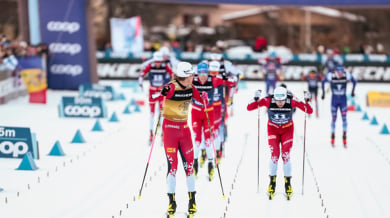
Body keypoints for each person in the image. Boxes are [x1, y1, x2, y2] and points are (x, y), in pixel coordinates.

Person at [153, 61, 208, 216]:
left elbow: (202, 100)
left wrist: (204, 98)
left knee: (189, 168)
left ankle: (192, 201)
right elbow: (154, 96)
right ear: (185, 75)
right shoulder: (171, 87)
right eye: (191, 74)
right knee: (173, 168)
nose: (193, 77)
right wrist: (161, 92)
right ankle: (172, 202)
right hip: (170, 131)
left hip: (184, 132)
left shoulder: (191, 87)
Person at [247, 87, 313, 200]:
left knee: (286, 155)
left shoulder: (292, 100)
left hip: (287, 130)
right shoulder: (268, 100)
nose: (280, 104)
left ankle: (288, 183)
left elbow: (309, 110)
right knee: (274, 155)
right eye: (278, 101)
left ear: (285, 98)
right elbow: (249, 107)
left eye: (282, 101)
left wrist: (307, 100)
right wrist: (255, 98)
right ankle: (272, 182)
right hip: (273, 129)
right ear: (274, 98)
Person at [191, 62, 236, 180]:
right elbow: (178, 83)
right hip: (195, 112)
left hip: (209, 112)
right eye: (200, 73)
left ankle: (210, 163)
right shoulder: (192, 80)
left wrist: (226, 77)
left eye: (205, 73)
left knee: (207, 139)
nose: (203, 76)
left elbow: (231, 82)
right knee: (196, 139)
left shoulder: (214, 80)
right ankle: (194, 163)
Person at [138, 51, 173, 144]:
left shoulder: (165, 66)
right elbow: (142, 74)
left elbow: (172, 75)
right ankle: (150, 134)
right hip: (153, 91)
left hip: (161, 92)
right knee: (152, 113)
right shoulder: (150, 65)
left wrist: (170, 85)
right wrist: (140, 82)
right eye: (156, 61)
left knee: (162, 113)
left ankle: (163, 135)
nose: (158, 64)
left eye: (159, 62)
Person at [321, 64, 357, 148]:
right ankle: (332, 137)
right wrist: (323, 93)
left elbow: (355, 81)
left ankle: (344, 138)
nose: (340, 75)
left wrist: (352, 91)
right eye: (339, 73)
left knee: (344, 119)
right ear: (336, 71)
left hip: (343, 100)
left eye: (341, 72)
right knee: (334, 119)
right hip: (334, 100)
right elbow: (323, 82)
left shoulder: (346, 74)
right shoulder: (331, 75)